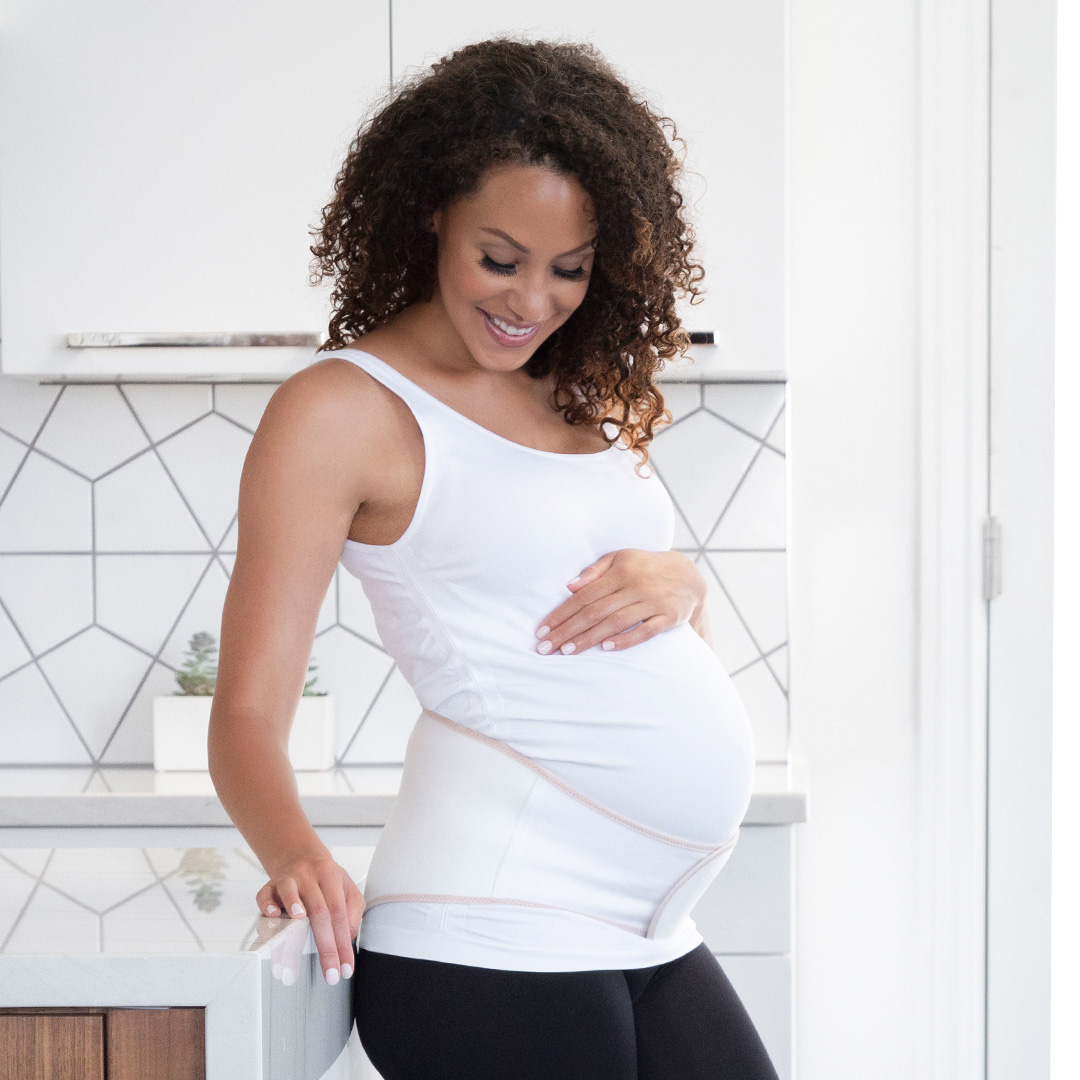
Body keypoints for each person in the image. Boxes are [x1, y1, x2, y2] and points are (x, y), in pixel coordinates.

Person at [208, 38, 779, 1080]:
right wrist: (295, 852)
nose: (530, 302)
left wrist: (685, 583)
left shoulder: (580, 389)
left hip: (650, 926)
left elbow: (623, 624)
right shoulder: (342, 411)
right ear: (434, 213)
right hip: (491, 928)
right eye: (500, 259)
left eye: (569, 270)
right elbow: (245, 711)